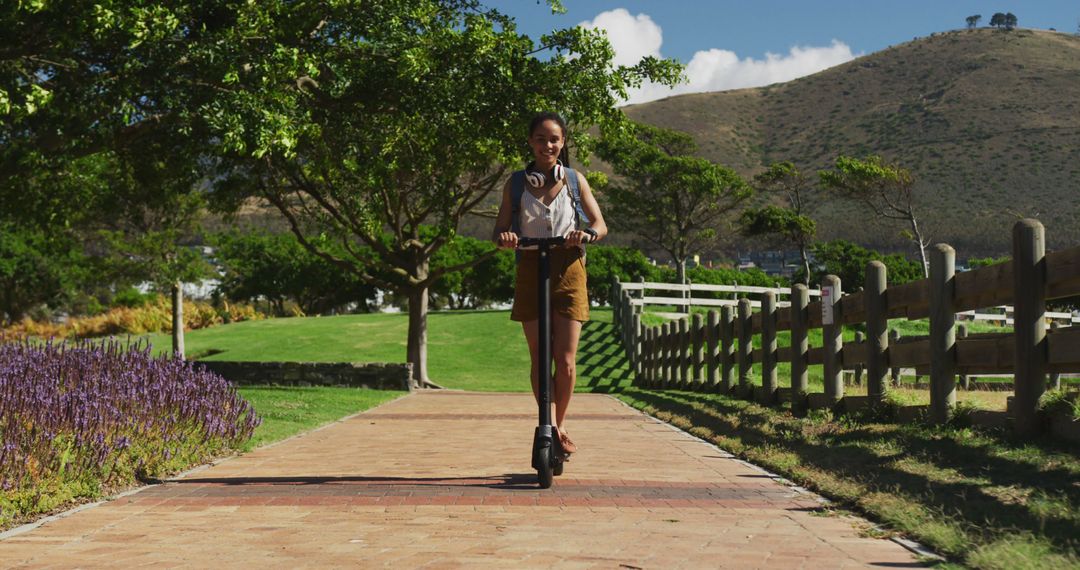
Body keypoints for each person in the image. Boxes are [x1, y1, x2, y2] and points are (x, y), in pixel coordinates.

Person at [492, 112, 607, 458]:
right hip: (529, 265)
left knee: (566, 359)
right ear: (530, 142)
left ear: (563, 143)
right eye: (540, 139)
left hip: (569, 268)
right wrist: (507, 237)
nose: (548, 145)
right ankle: (551, 426)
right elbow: (497, 232)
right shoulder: (515, 184)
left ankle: (560, 423)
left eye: (554, 139)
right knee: (539, 356)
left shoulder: (575, 180)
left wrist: (585, 233)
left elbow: (601, 225)